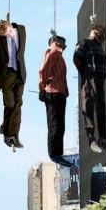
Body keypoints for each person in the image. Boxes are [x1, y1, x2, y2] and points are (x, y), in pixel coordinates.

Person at [0, 19, 27, 149]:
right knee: (9, 104)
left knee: (18, 104)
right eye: (5, 35)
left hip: (19, 73)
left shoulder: (21, 30)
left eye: (9, 32)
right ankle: (6, 130)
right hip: (6, 74)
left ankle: (13, 135)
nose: (9, 35)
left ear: (10, 26)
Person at [73, 25, 106, 153]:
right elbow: (77, 59)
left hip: (92, 78)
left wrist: (83, 71)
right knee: (97, 107)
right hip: (96, 79)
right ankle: (99, 137)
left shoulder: (86, 43)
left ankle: (96, 138)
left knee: (90, 107)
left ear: (93, 32)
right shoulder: (98, 48)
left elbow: (76, 58)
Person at [38, 34, 72, 167]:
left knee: (60, 125)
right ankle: (54, 153)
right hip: (53, 92)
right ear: (57, 42)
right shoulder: (52, 52)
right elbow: (43, 71)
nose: (64, 47)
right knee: (55, 124)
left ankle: (58, 153)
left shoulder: (59, 56)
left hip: (60, 93)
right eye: (63, 44)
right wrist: (42, 88)